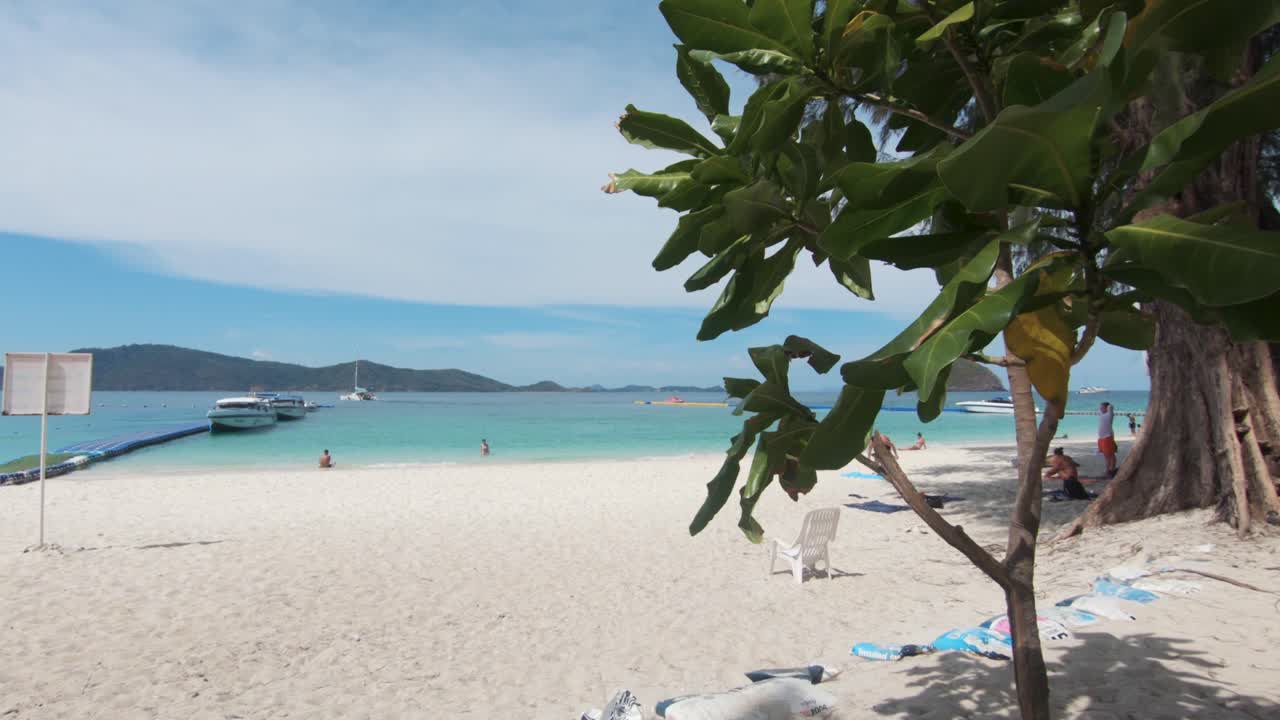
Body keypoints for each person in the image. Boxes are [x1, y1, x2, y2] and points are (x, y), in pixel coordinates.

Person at [1097, 402, 1117, 476]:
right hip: (1101, 439)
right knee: (1107, 456)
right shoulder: (1102, 414)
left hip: (1107, 438)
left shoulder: (1109, 415)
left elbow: (1111, 406)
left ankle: (1110, 470)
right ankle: (1109, 470)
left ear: (1107, 408)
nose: (1100, 409)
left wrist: (1108, 406)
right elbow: (1100, 409)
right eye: (1100, 407)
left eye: (1102, 407)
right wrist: (1102, 407)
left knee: (1110, 456)